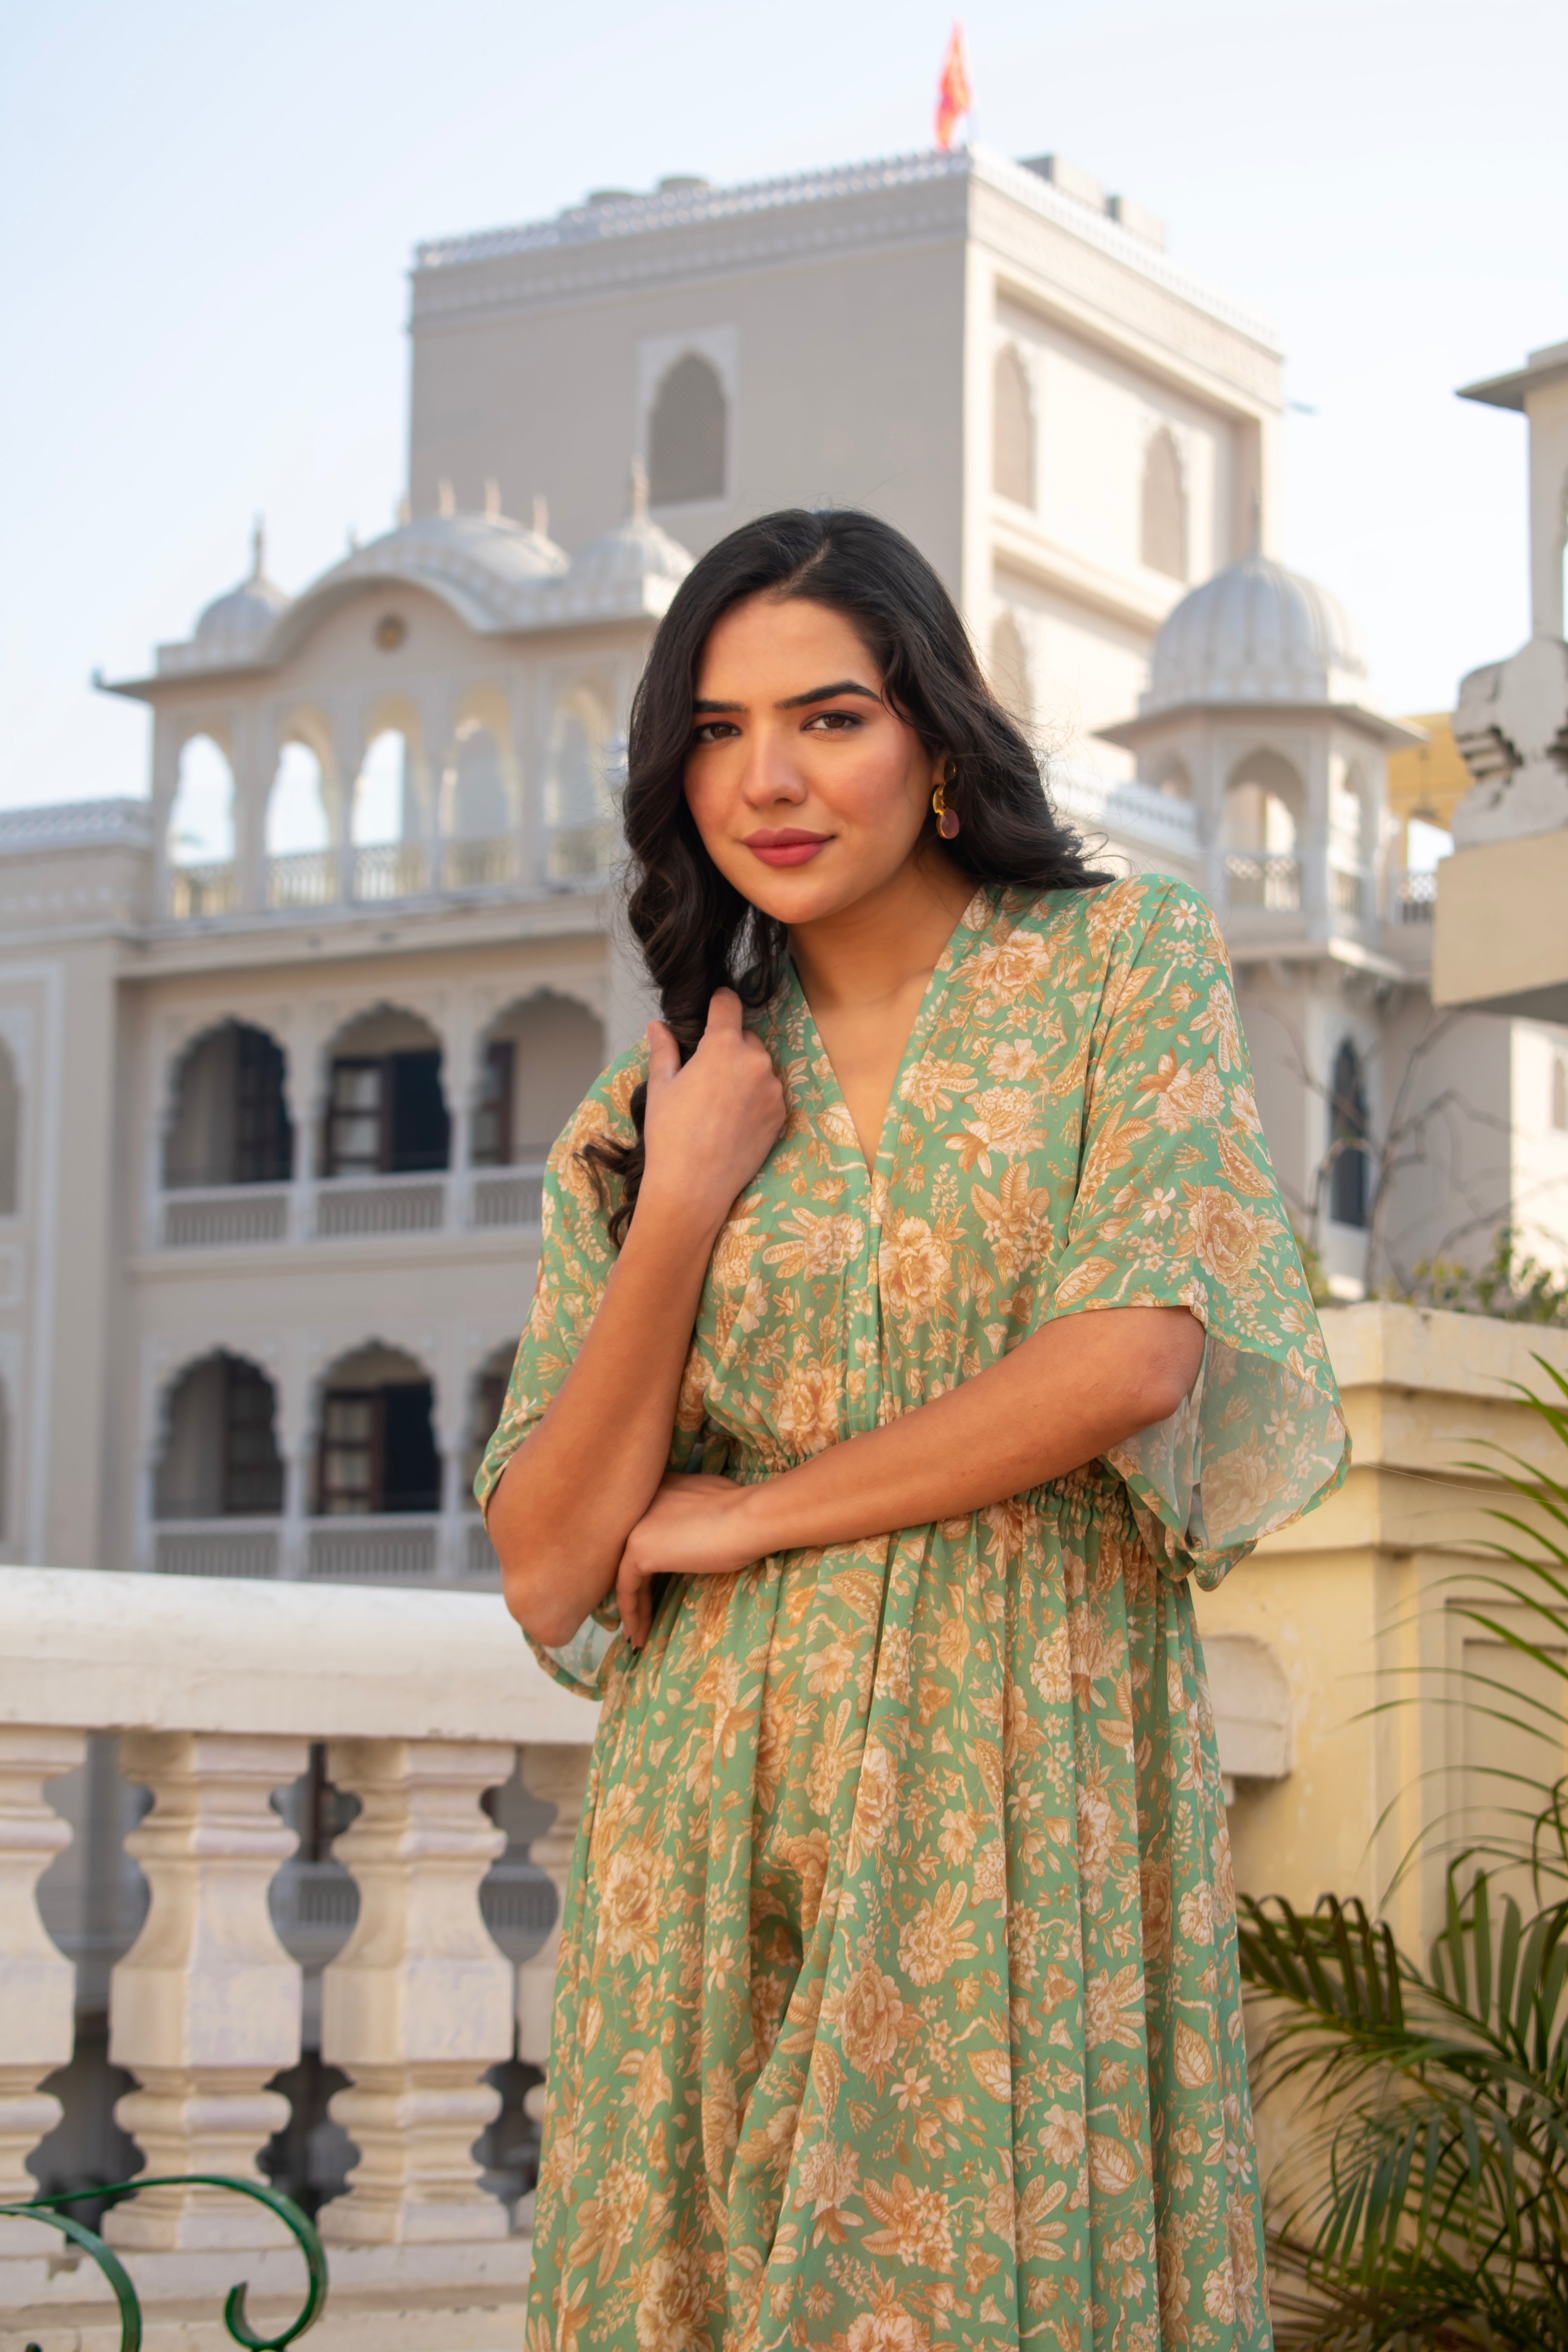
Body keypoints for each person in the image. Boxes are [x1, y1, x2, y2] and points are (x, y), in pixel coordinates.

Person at [478, 508, 1347, 2352]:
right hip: (705, 1815)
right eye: (714, 731)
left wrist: (752, 1514)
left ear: (938, 743)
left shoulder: (1121, 968)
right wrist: (693, 1192)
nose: (767, 779)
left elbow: (1128, 1360)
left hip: (1014, 1770)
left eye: (830, 717)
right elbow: (552, 1554)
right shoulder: (650, 1111)